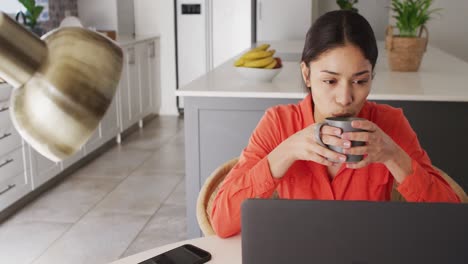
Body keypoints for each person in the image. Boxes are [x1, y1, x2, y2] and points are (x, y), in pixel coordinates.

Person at [210, 10, 460, 238]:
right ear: (307, 75)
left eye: (360, 81)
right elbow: (222, 222)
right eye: (330, 81)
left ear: (372, 75)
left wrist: (393, 156)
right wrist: (285, 152)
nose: (345, 99)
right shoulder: (279, 123)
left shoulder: (389, 124)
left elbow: (452, 220)